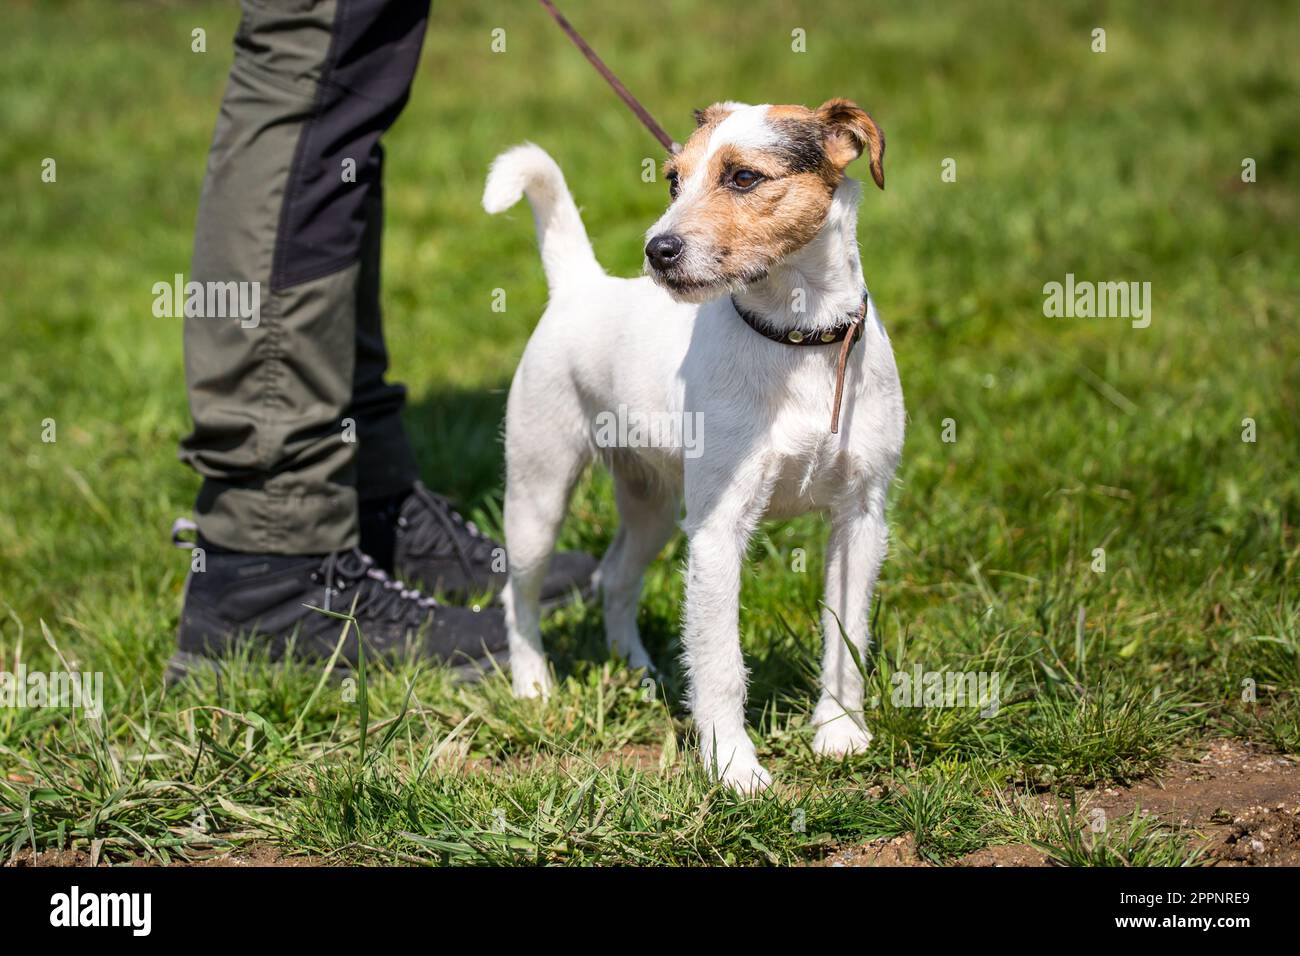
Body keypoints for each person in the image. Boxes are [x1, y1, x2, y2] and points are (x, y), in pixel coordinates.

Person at [171, 0, 595, 680]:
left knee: (352, 76)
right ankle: (270, 557)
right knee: (316, 55)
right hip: (271, 538)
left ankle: (368, 502)